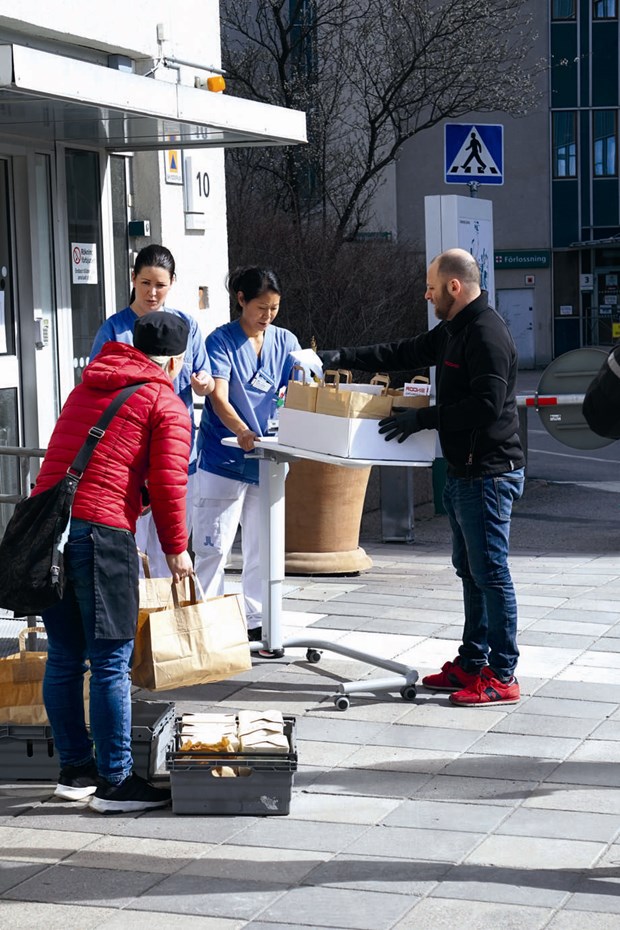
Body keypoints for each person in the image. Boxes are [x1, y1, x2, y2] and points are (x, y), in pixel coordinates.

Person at [320, 248, 525, 706]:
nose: (426, 293)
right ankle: (473, 662)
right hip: (464, 473)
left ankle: (503, 673)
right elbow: (405, 351)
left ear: (455, 287)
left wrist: (424, 419)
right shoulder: (454, 329)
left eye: (432, 286)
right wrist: (343, 357)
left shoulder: (486, 333)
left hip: (489, 475)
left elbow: (487, 406)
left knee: (491, 574)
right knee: (471, 572)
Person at [37, 312, 194, 813]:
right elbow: (171, 483)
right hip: (101, 534)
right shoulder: (164, 400)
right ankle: (115, 782)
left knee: (64, 656)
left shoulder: (90, 382)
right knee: (110, 663)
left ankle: (75, 771)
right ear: (175, 358)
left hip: (50, 532)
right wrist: (177, 549)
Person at [90, 244, 214, 576]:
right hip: (127, 461)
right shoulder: (115, 330)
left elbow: (206, 378)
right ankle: (134, 624)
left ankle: (167, 625)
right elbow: (97, 388)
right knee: (130, 553)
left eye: (160, 284)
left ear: (173, 282)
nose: (152, 292)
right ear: (133, 280)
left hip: (175, 459)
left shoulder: (186, 326)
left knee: (170, 553)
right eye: (145, 283)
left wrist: (204, 384)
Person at [193, 266, 301, 648]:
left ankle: (259, 619)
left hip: (269, 458)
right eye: (260, 307)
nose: (267, 316)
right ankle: (205, 623)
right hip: (224, 456)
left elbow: (297, 390)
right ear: (241, 300)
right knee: (214, 545)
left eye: (274, 308)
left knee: (264, 544)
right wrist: (241, 430)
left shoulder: (286, 341)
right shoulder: (220, 341)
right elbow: (217, 395)